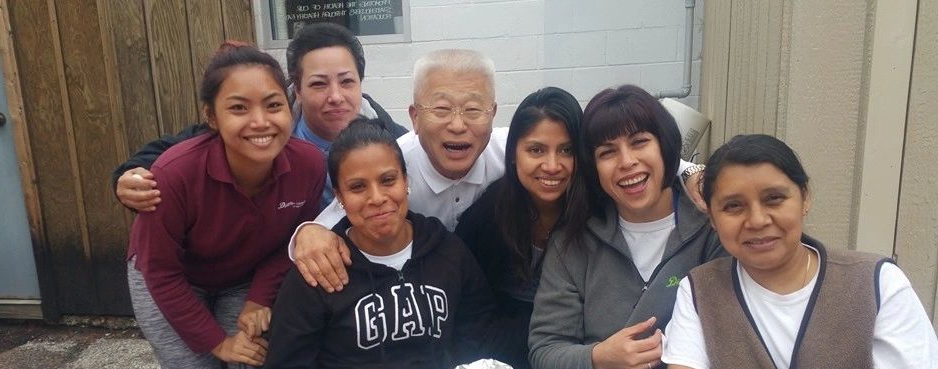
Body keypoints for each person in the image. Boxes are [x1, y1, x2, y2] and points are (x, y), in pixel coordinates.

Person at [291, 50, 706, 293]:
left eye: (473, 109)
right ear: (414, 116)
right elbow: (327, 224)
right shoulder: (392, 169)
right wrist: (307, 234)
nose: (458, 124)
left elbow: (601, 148)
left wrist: (689, 173)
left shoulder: (519, 149)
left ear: (492, 114)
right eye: (441, 108)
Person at [663, 134, 938, 369]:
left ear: (804, 198)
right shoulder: (702, 288)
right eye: (733, 206)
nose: (758, 219)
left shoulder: (874, 282)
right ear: (713, 219)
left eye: (774, 198)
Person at [127, 43, 325, 369]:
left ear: (290, 106)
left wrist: (257, 300)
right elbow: (159, 272)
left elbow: (287, 242)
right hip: (169, 280)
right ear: (210, 117)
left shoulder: (308, 164)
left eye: (273, 105)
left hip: (241, 277)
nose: (260, 122)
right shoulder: (174, 173)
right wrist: (217, 341)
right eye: (238, 108)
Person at [260, 118, 497, 369]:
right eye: (358, 187)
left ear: (405, 181)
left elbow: (480, 345)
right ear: (340, 197)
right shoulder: (319, 270)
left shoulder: (448, 253)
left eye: (388, 180)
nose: (377, 197)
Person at [528, 85, 725, 369]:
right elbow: (545, 350)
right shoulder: (574, 243)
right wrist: (600, 358)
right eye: (607, 152)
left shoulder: (712, 232)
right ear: (593, 168)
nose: (627, 161)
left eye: (640, 142)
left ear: (665, 146)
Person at [112, 23, 406, 212]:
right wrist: (129, 175)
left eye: (347, 81)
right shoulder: (269, 127)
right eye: (318, 84)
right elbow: (177, 149)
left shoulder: (392, 138)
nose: (336, 96)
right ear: (298, 89)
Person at [455, 87, 583, 369]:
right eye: (536, 150)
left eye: (566, 150)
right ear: (513, 154)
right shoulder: (486, 217)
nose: (552, 165)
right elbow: (468, 319)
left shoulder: (597, 217)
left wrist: (690, 172)